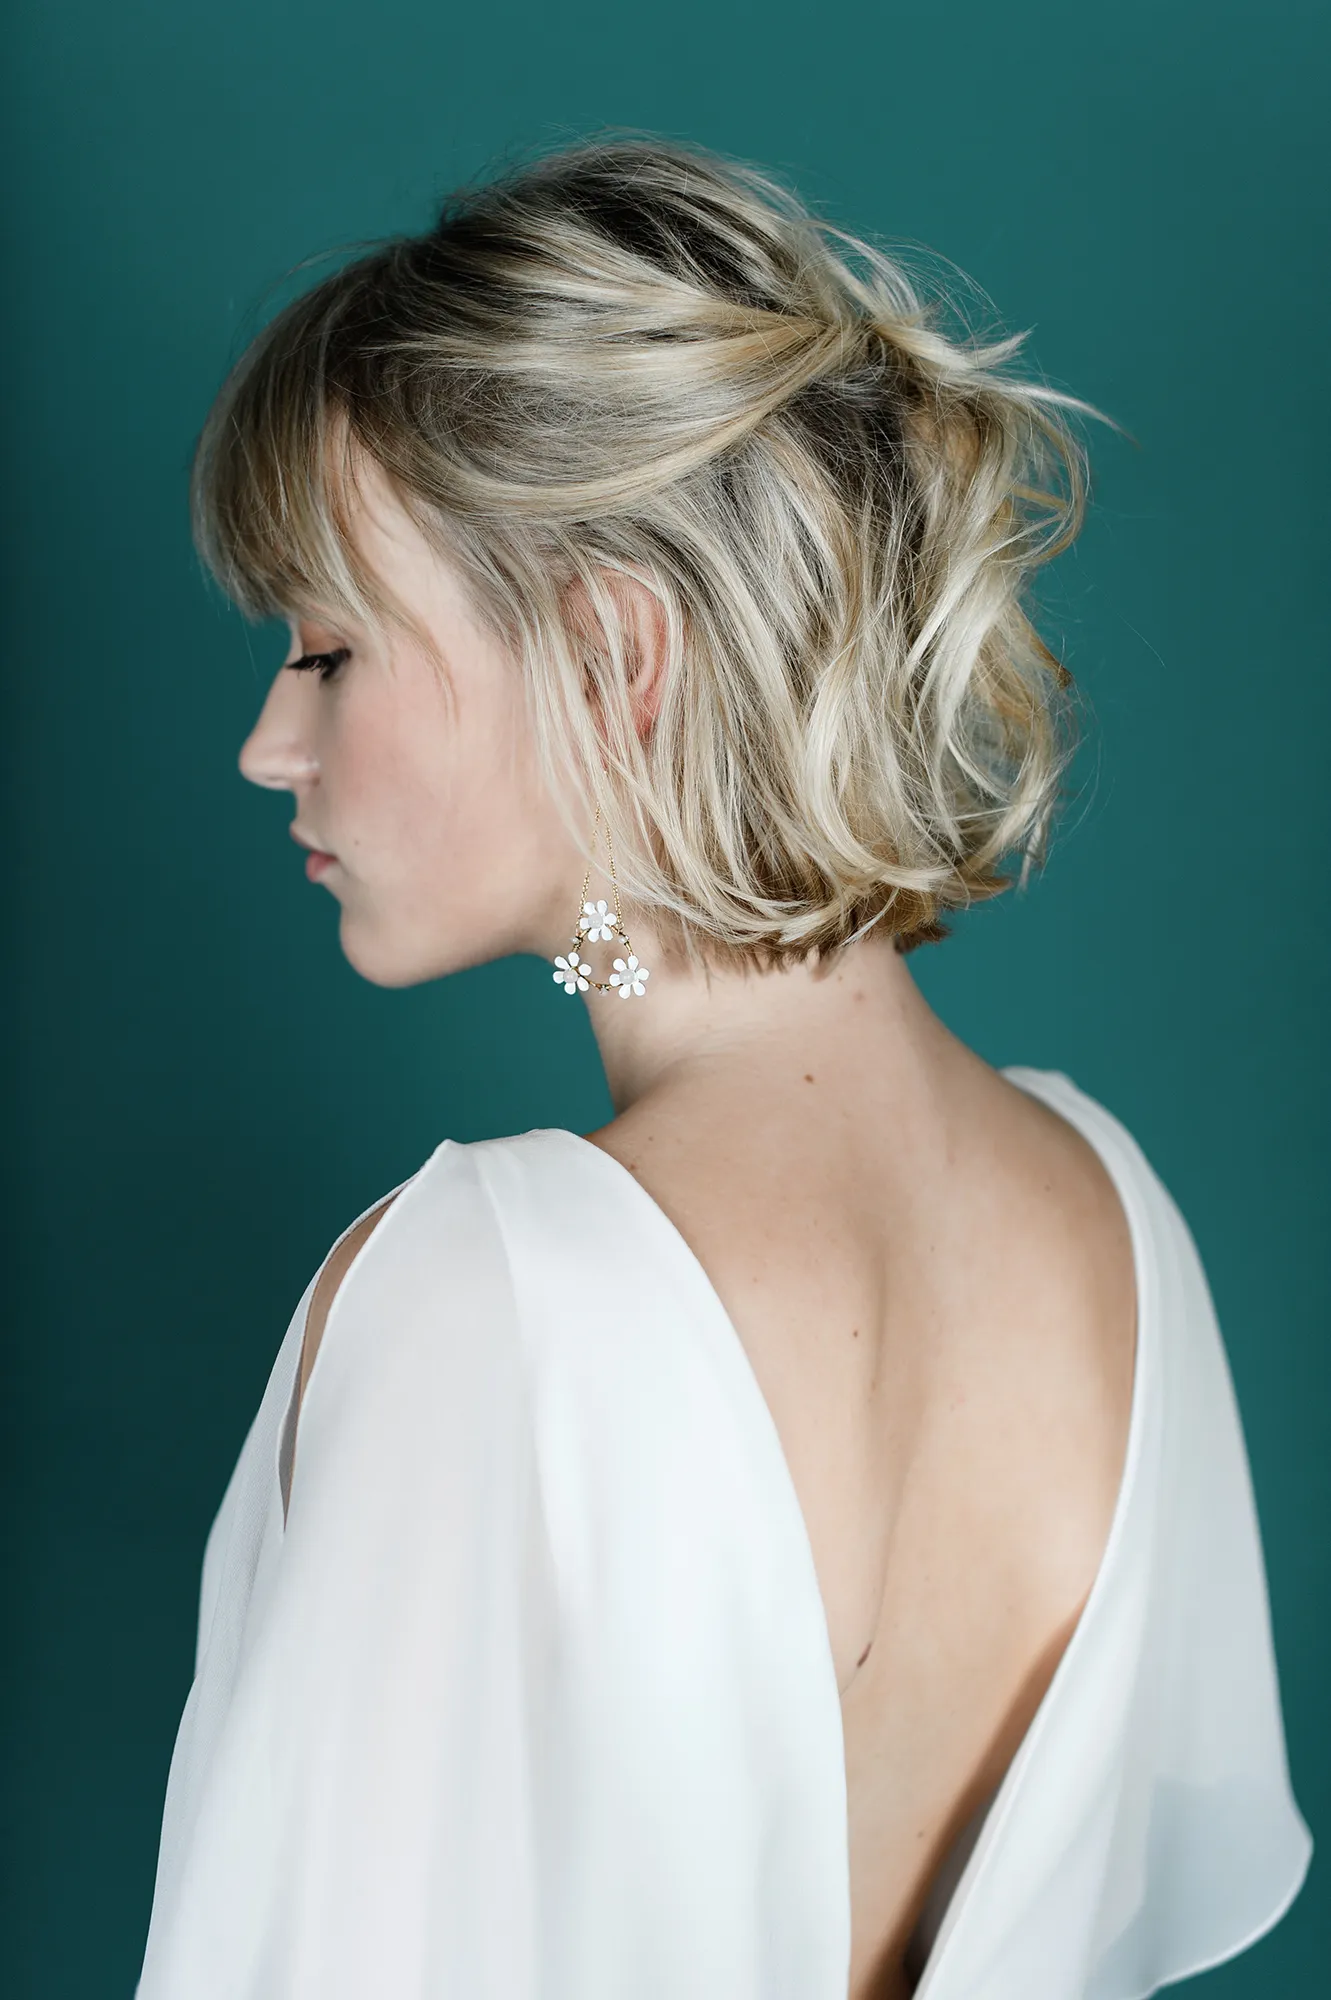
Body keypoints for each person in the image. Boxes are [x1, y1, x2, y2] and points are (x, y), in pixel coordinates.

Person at [135, 136, 1311, 1999]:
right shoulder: (1118, 1230)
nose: (272, 742)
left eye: (329, 646)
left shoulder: (490, 1291)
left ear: (614, 656)